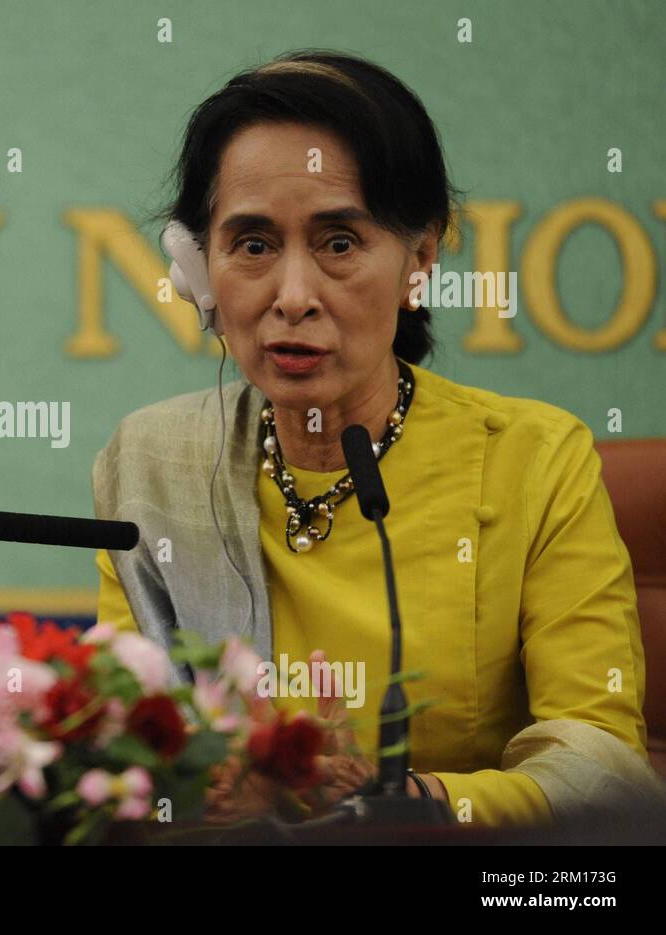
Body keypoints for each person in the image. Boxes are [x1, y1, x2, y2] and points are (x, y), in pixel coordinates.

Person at [92, 50, 664, 827]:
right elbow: (130, 748)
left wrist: (414, 805)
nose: (293, 298)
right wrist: (204, 791)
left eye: (338, 243)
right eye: (253, 245)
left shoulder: (534, 459)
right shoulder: (153, 465)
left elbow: (601, 763)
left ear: (419, 259)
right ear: (200, 267)